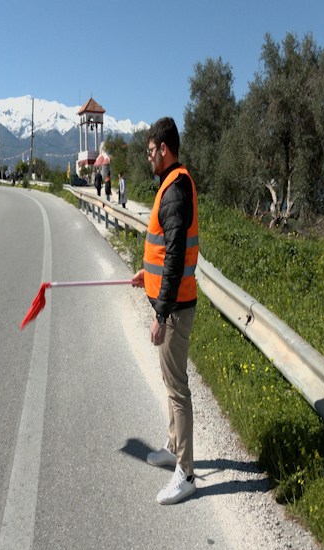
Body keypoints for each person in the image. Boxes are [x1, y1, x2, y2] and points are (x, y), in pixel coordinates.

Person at [131, 117, 199, 505]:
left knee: (177, 389)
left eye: (150, 151)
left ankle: (185, 474)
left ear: (164, 149)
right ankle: (174, 448)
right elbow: (166, 254)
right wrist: (147, 274)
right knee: (171, 383)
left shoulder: (174, 190)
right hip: (171, 302)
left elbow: (175, 258)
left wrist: (160, 315)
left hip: (174, 309)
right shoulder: (172, 184)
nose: (149, 157)